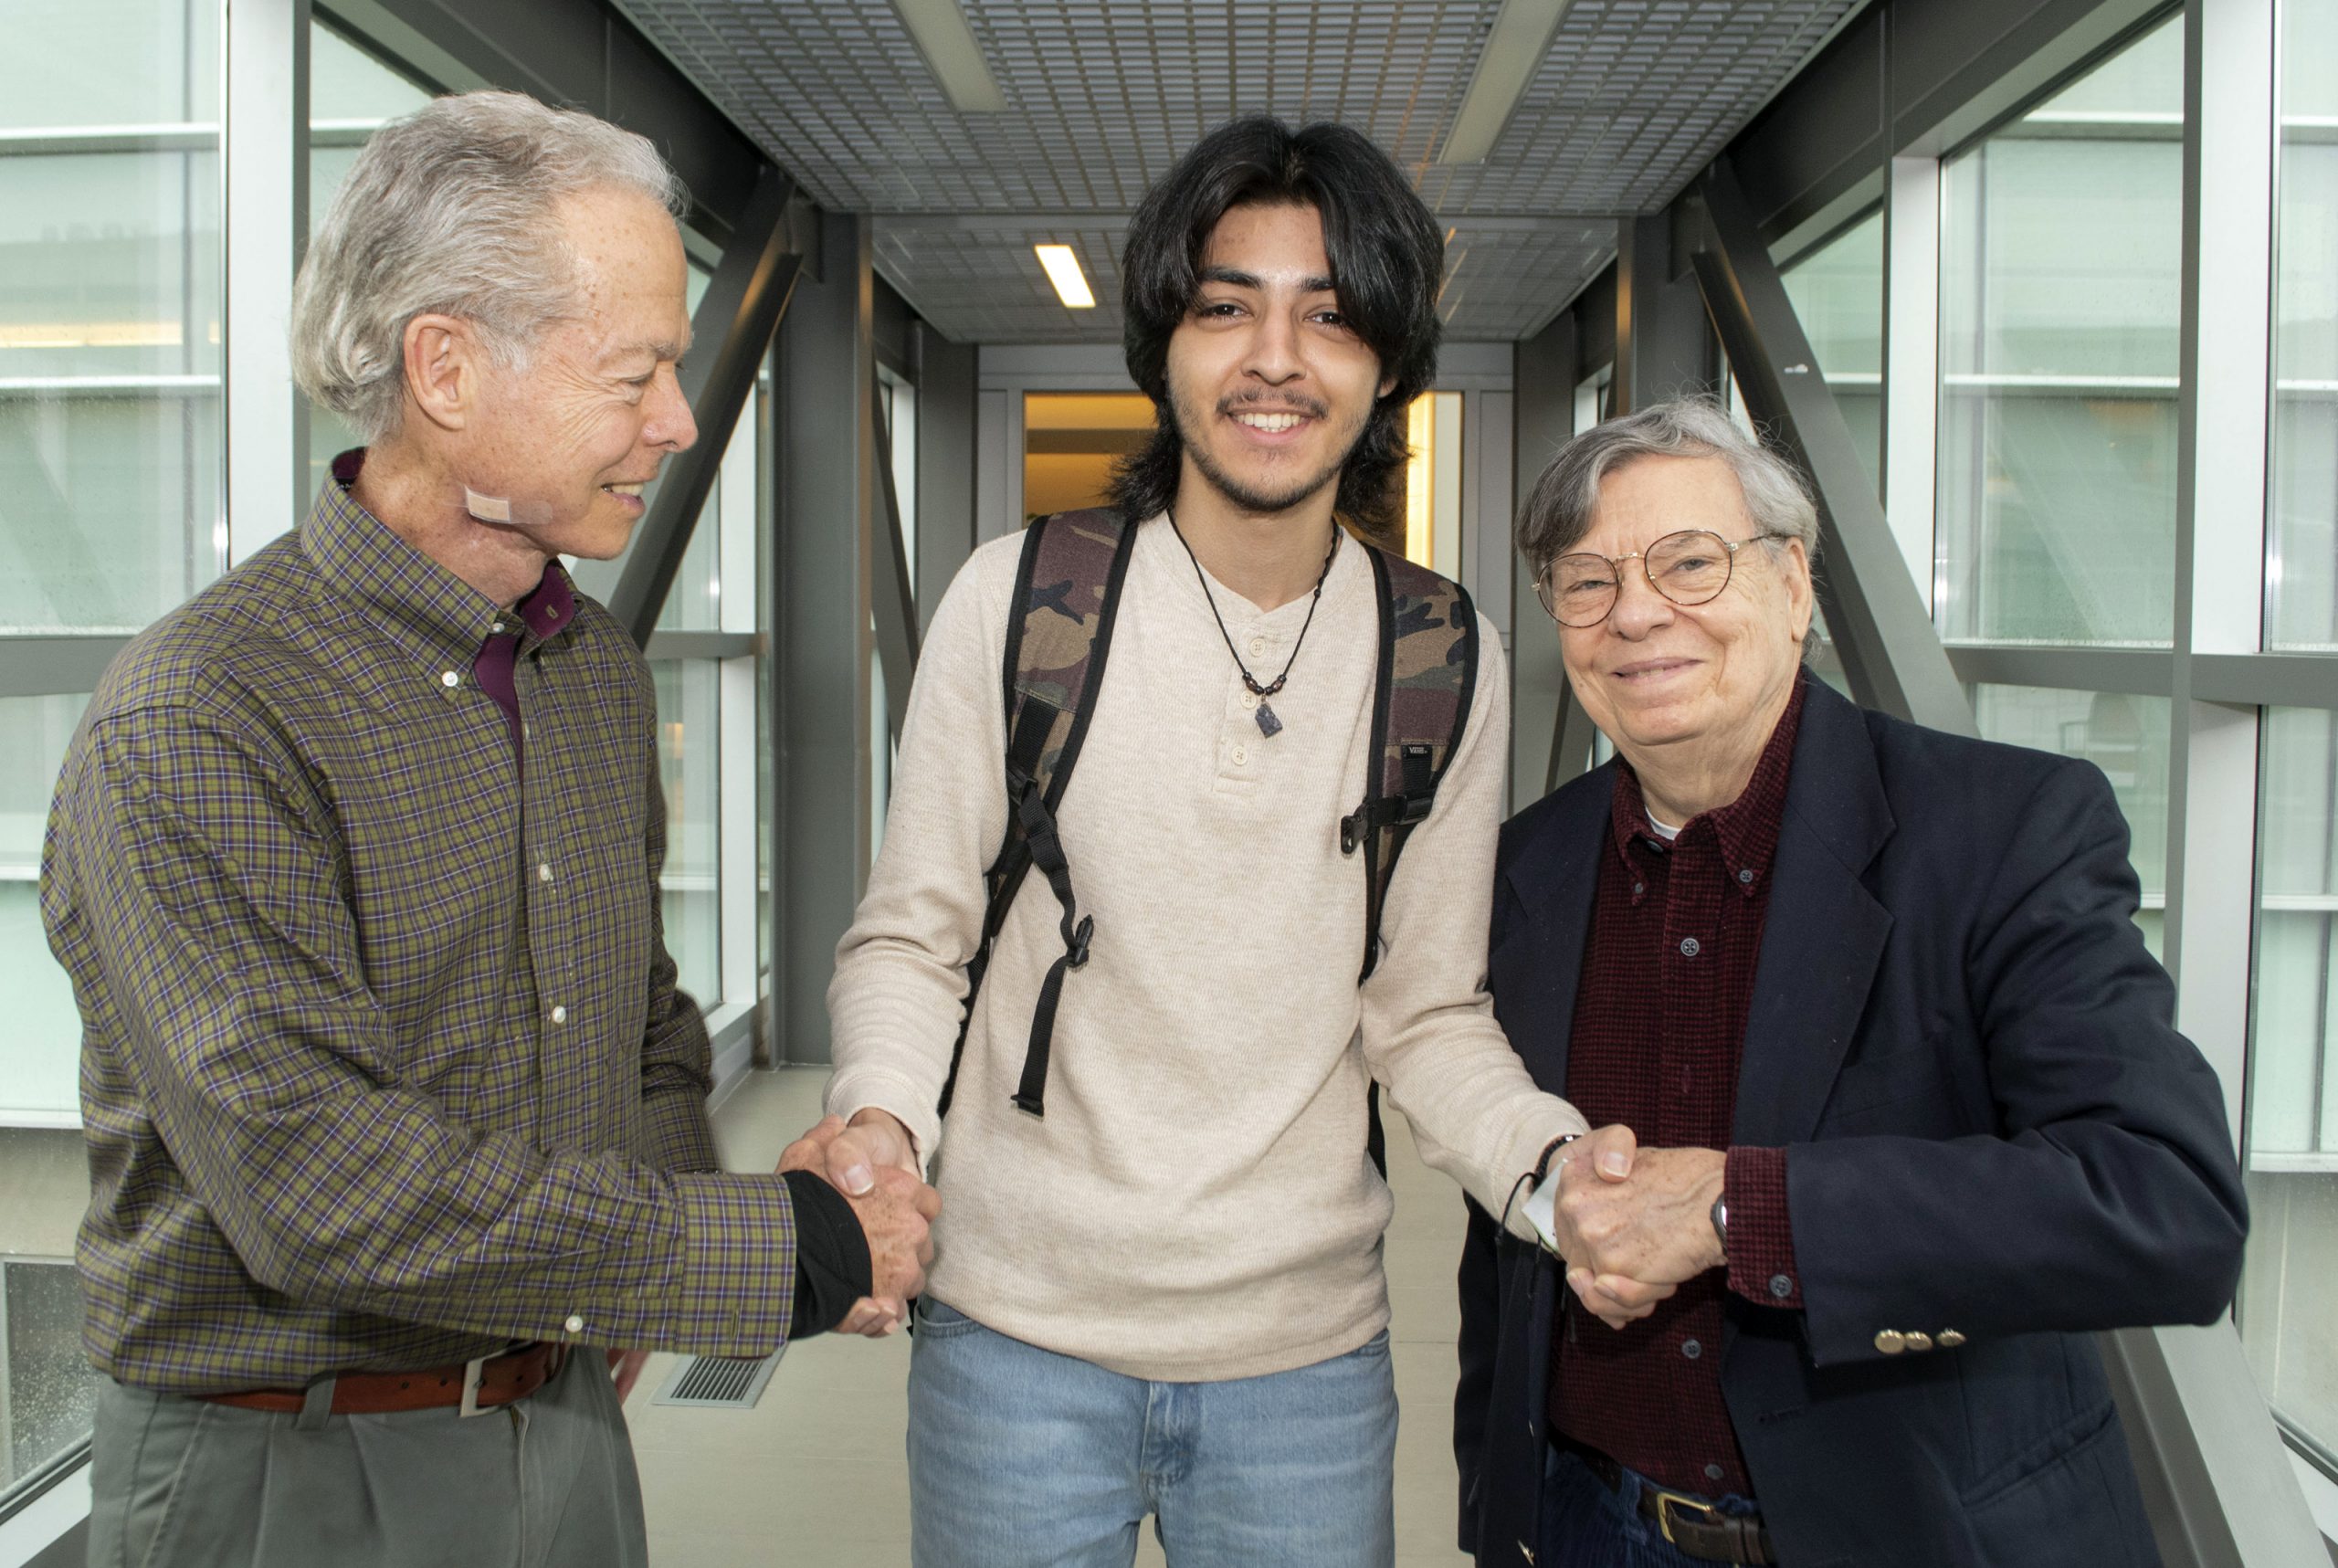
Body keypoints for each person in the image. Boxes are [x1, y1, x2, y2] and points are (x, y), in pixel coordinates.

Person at [40, 90, 936, 1568]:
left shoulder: (594, 677)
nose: (680, 416)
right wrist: (774, 1246)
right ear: (445, 367)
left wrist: (653, 1276)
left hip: (564, 1431)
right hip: (289, 1475)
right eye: (637, 370)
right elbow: (330, 1187)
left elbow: (645, 1028)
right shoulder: (201, 715)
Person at [802, 116, 1586, 1568]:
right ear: (1164, 349)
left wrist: (1555, 1171)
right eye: (1228, 307)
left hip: (1304, 1358)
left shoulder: (1441, 652)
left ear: (1388, 366)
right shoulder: (1019, 603)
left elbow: (1424, 1012)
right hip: (1013, 1335)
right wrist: (879, 1126)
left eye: (1331, 315)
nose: (1276, 358)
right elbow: (917, 934)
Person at [1456, 397, 2249, 1568]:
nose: (1633, 613)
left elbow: (2164, 1205)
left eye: (1688, 562)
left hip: (1911, 1532)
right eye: (1585, 581)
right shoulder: (1527, 863)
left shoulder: (2001, 830)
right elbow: (1510, 1234)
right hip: (1585, 1521)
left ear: (1793, 585)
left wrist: (1740, 1213)